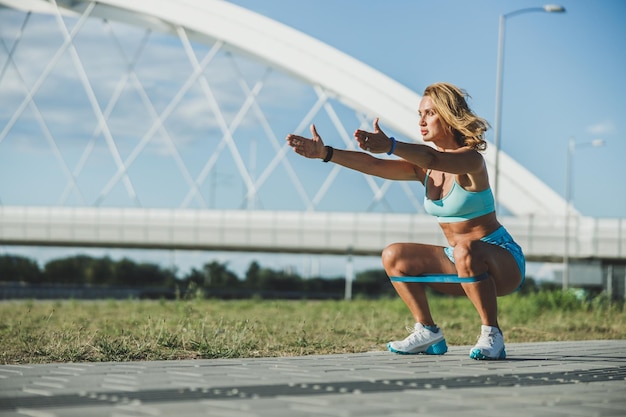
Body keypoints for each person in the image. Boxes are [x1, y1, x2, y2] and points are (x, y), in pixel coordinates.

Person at [286, 82, 525, 360]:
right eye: (419, 114)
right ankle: (428, 331)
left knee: (466, 248)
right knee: (394, 255)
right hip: (459, 259)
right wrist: (325, 153)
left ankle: (491, 334)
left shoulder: (471, 161)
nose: (422, 121)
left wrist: (390, 145)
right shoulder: (424, 168)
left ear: (449, 116)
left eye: (430, 114)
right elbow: (373, 165)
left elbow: (432, 156)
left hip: (502, 263)